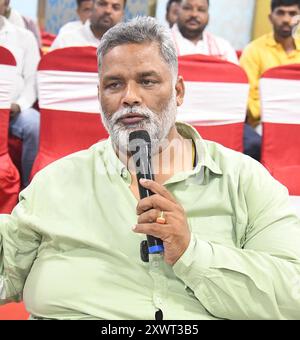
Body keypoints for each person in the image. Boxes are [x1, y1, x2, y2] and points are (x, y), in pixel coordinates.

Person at [1, 16, 300, 321]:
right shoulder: (56, 182)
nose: (130, 97)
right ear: (100, 96)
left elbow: (293, 295)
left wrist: (191, 252)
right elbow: (5, 269)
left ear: (178, 92)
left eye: (147, 81)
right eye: (114, 84)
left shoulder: (245, 181)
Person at [240, 0, 300, 128]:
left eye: (292, 13)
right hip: (264, 124)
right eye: (280, 13)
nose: (286, 19)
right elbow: (247, 101)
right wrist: (281, 107)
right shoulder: (253, 50)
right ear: (270, 17)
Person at [0, 10, 40, 188]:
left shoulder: (24, 37)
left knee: (34, 123)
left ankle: (27, 187)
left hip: (15, 110)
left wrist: (20, 105)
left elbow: (33, 81)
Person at [171, 0, 238, 64]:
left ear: (208, 15)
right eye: (187, 8)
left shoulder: (223, 48)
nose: (194, 14)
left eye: (201, 10)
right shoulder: (162, 42)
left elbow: (234, 74)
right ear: (177, 12)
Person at [50, 0, 126, 50]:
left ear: (122, 14)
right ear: (92, 7)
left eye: (115, 7)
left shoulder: (127, 46)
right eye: (102, 4)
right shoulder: (66, 41)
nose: (108, 11)